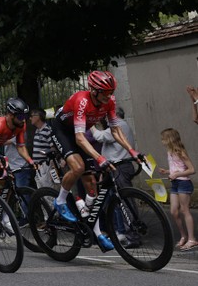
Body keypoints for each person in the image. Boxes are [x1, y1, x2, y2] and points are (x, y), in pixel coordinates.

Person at [48, 70, 143, 251]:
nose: (109, 96)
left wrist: (132, 151)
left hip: (79, 134)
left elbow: (116, 131)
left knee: (92, 186)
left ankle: (96, 232)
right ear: (94, 91)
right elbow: (79, 138)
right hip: (62, 131)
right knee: (78, 167)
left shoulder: (109, 102)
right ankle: (59, 201)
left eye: (111, 92)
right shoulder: (82, 100)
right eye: (105, 93)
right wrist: (100, 158)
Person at [159, 127, 196, 250]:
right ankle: (183, 236)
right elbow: (177, 168)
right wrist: (168, 171)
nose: (162, 141)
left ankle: (192, 239)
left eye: (163, 138)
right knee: (174, 211)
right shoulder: (169, 152)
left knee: (184, 210)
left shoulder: (180, 152)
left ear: (169, 139)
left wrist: (176, 174)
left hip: (183, 183)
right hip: (175, 183)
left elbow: (192, 170)